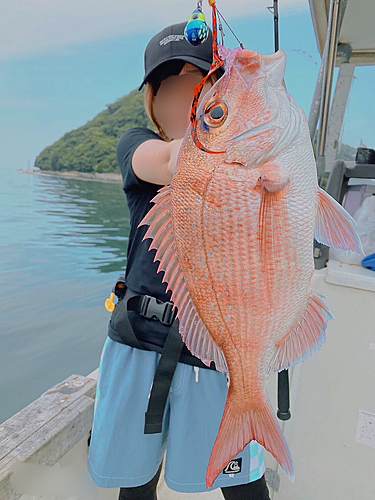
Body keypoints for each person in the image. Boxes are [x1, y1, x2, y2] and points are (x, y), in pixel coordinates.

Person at [87, 21, 271, 500]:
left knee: (243, 486)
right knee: (135, 481)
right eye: (166, 89)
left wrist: (246, 136)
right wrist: (213, 140)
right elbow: (165, 161)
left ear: (215, 90)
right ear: (150, 101)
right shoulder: (137, 144)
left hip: (215, 345)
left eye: (195, 86)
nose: (179, 101)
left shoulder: (246, 165)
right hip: (139, 343)